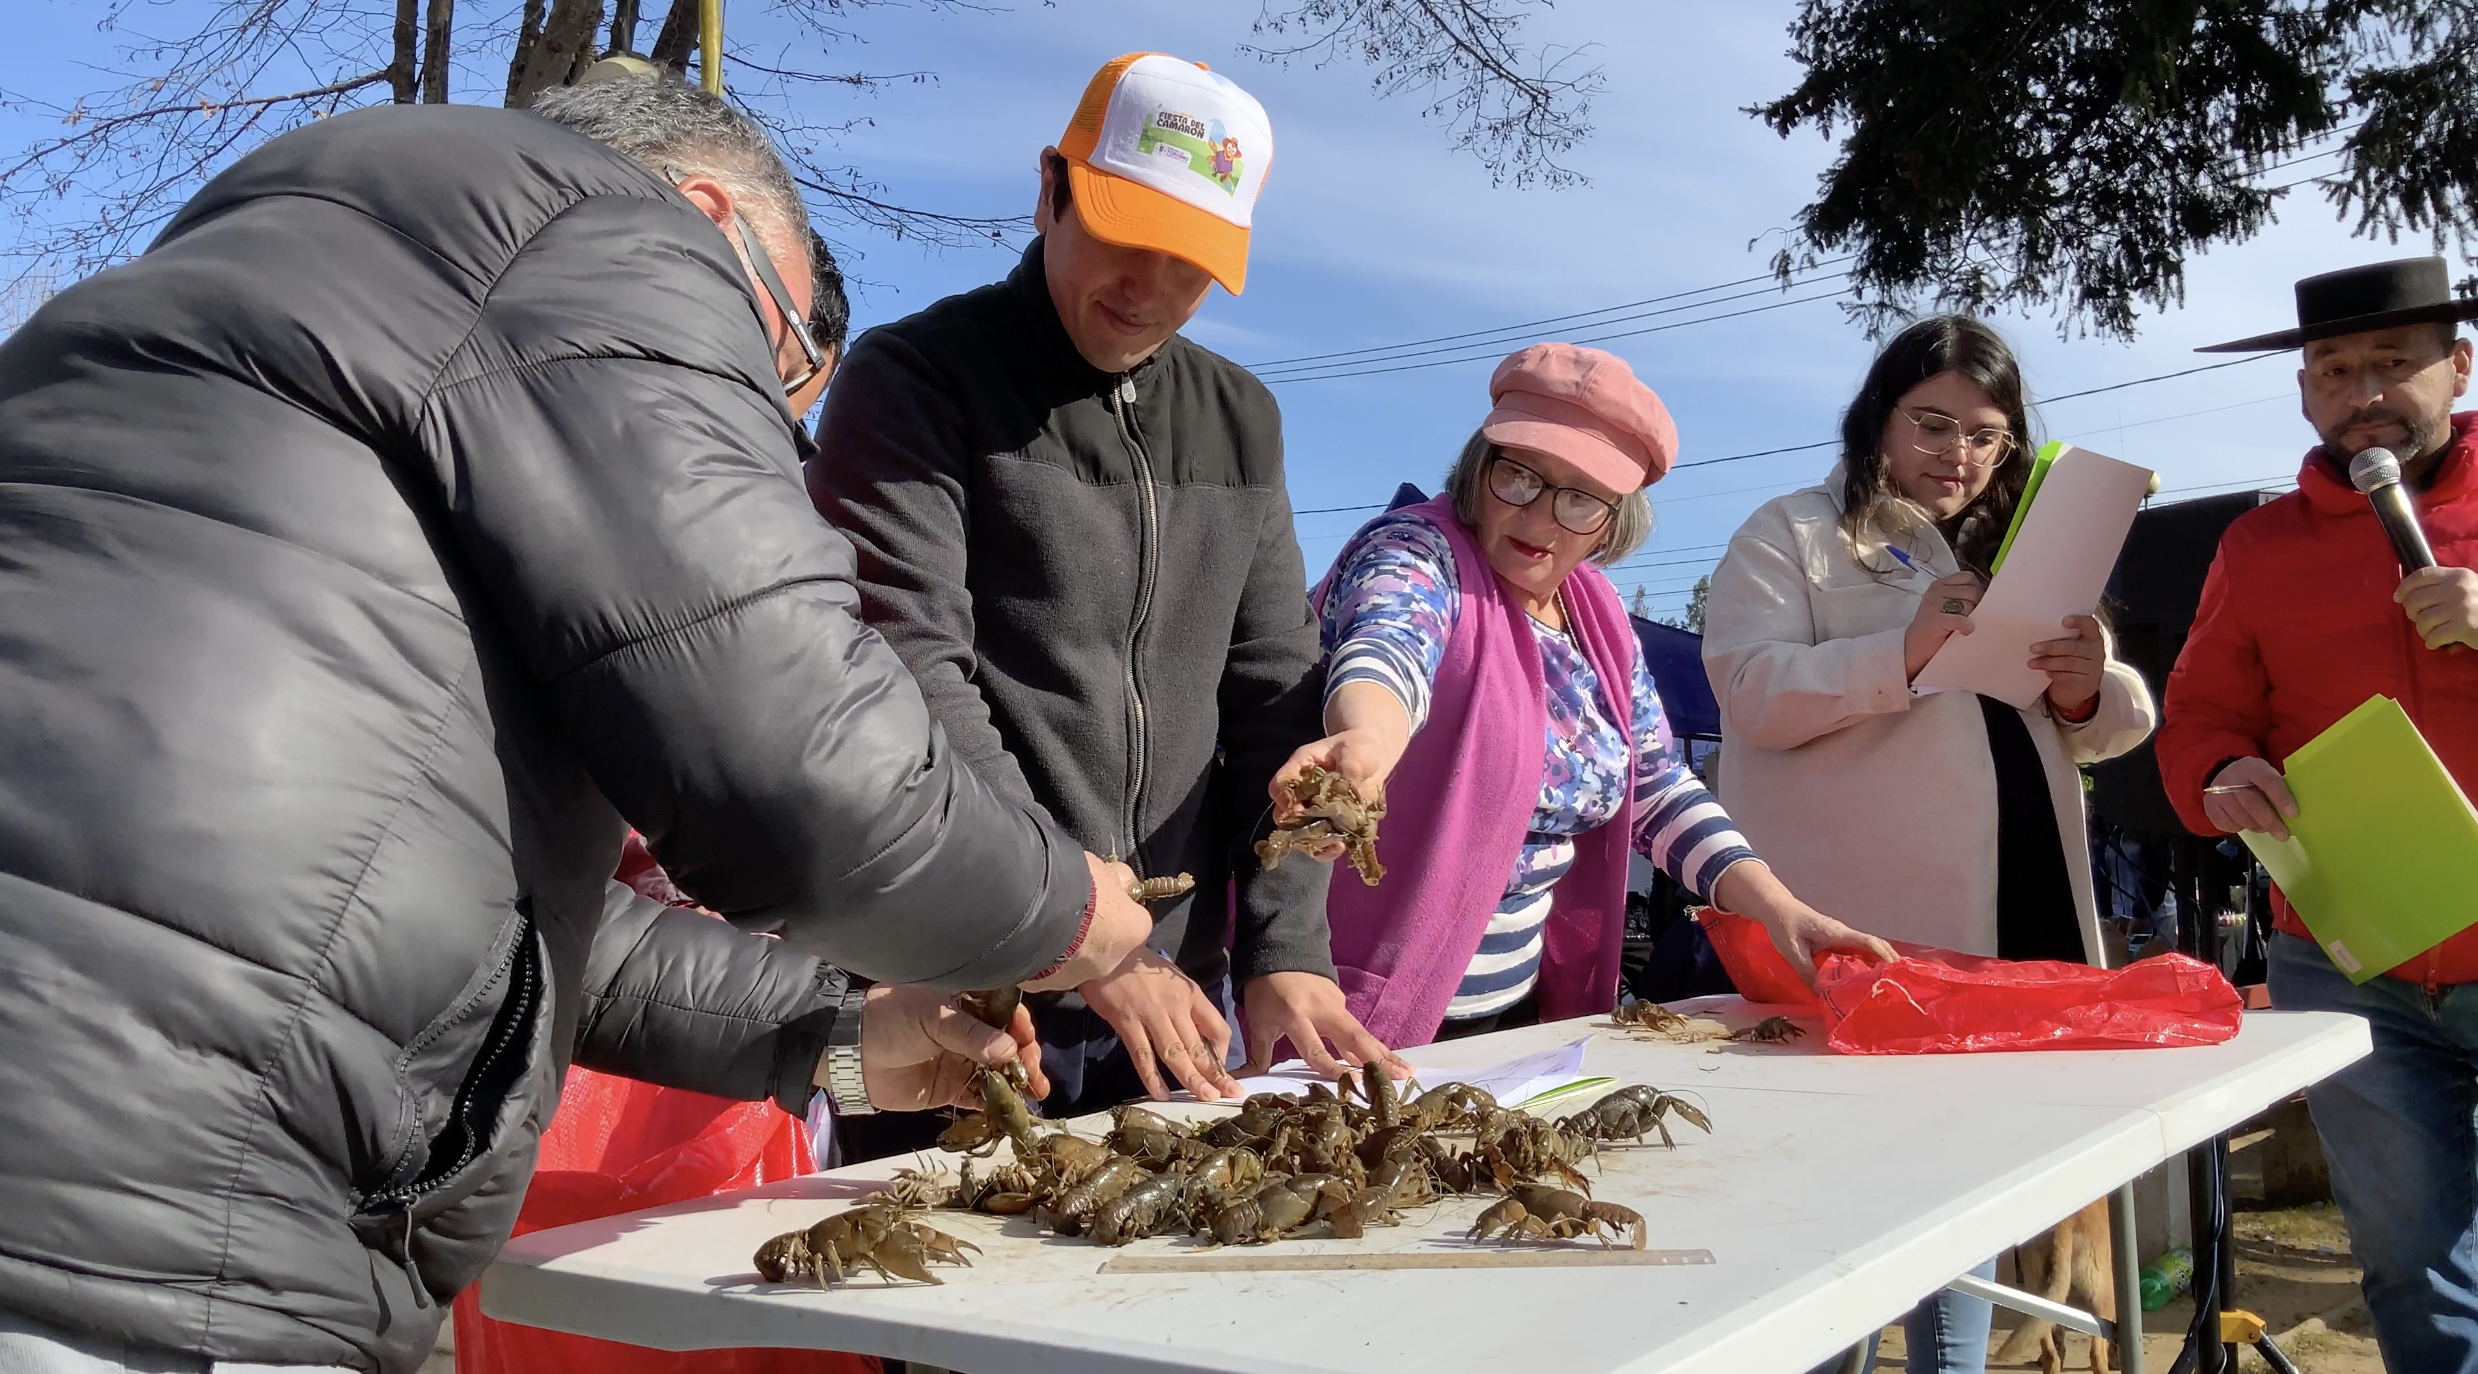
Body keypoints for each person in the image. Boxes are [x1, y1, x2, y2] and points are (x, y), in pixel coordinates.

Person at [0, 79, 1156, 1374]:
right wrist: (1066, 911)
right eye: (759, 393)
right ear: (707, 221)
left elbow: (478, 923)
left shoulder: (225, 345)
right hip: (143, 1231)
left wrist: (831, 1038)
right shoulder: (594, 233)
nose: (767, 460)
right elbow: (807, 785)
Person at [812, 52, 1397, 1112]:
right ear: (1050, 189)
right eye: (1126, 240)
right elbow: (911, 680)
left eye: (1192, 266)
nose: (1150, 294)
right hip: (968, 990)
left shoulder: (1241, 418)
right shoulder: (913, 382)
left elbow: (1273, 693)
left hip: (1180, 993)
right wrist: (1081, 932)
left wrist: (1287, 945)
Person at [1699, 315, 2156, 1374]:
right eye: (1933, 423)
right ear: (1878, 418)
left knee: (1966, 1180)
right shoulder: (1795, 532)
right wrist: (1902, 650)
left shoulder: (2026, 548)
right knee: (1841, 1184)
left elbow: (2109, 721)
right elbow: (1751, 694)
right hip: (1864, 916)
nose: (1957, 454)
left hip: (2024, 901)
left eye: (1987, 436)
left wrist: (2094, 684)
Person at [1276, 342, 1893, 1050]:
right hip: (1357, 1005)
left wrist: (1778, 909)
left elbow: (1656, 786)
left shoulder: (1596, 615)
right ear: (1481, 467)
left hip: (1514, 1015)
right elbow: (1390, 646)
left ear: (1614, 518)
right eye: (1519, 476)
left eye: (1579, 499)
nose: (1540, 517)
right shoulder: (1417, 554)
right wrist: (1368, 739)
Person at [2157, 255, 2478, 1372]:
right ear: (2303, 391)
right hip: (2353, 960)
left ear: (2459, 367)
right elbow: (2196, 719)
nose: (2365, 391)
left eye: (2394, 362)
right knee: (2410, 1260)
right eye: (2335, 368)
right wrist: (2223, 776)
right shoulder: (2258, 547)